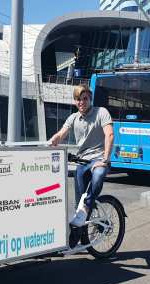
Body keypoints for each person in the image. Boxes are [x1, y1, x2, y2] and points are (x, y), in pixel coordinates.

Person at [49, 84, 114, 227]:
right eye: (78, 99)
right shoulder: (73, 118)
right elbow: (61, 134)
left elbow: (109, 134)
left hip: (99, 159)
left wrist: (105, 159)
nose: (81, 102)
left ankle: (87, 206)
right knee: (78, 203)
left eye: (84, 99)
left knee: (97, 177)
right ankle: (79, 232)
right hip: (82, 161)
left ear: (90, 99)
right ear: (75, 101)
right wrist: (53, 140)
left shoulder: (101, 112)